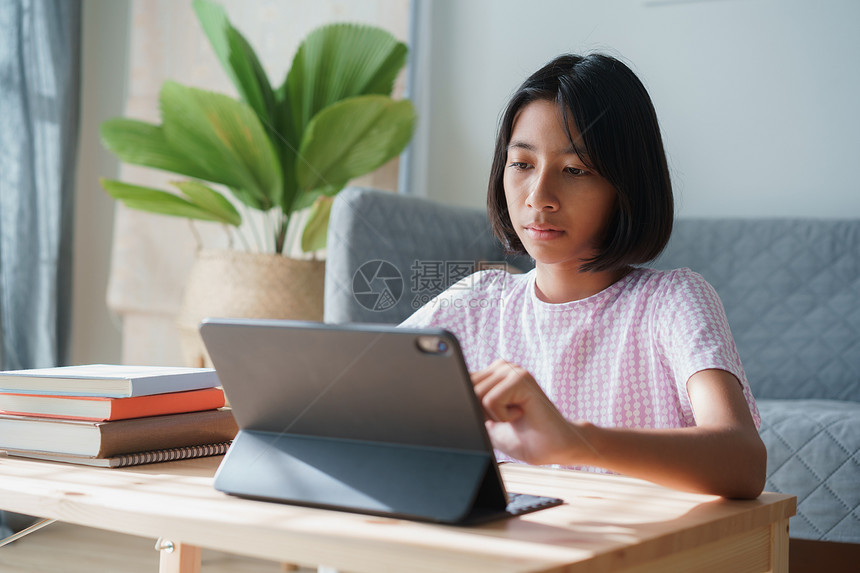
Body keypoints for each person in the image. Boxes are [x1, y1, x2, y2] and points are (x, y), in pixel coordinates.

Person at [399, 53, 766, 499]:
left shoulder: (671, 302)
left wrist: (574, 440)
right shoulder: (476, 301)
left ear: (626, 186)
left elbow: (744, 459)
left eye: (575, 170)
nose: (539, 197)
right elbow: (355, 391)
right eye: (522, 164)